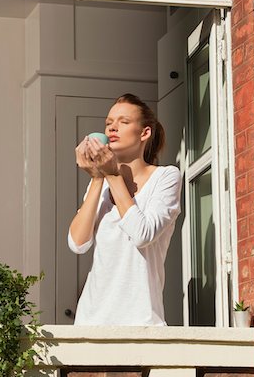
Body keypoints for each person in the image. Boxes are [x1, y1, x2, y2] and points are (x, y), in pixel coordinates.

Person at [68, 93, 182, 326]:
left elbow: (142, 235)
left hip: (140, 320)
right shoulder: (99, 183)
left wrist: (112, 174)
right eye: (109, 123)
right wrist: (98, 178)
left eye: (123, 122)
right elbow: (77, 244)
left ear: (145, 133)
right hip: (91, 321)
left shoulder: (166, 177)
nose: (112, 128)